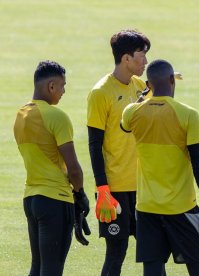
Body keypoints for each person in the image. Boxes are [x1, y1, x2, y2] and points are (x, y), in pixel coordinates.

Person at [121, 59, 199, 276]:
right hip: (181, 208)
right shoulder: (187, 114)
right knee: (198, 266)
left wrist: (143, 97)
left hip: (146, 208)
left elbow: (124, 124)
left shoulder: (132, 112)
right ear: (172, 82)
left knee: (153, 269)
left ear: (149, 84)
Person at [14, 60, 90, 275]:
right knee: (52, 269)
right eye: (63, 86)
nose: (64, 91)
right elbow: (74, 168)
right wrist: (80, 194)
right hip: (55, 200)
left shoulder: (20, 116)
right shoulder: (57, 117)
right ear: (51, 86)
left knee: (37, 267)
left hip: (31, 199)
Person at [86, 29, 151, 275]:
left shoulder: (142, 86)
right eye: (141, 55)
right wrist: (102, 188)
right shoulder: (101, 93)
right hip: (114, 190)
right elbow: (94, 144)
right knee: (116, 253)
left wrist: (164, 82)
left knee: (152, 253)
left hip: (144, 188)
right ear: (126, 58)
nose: (145, 61)